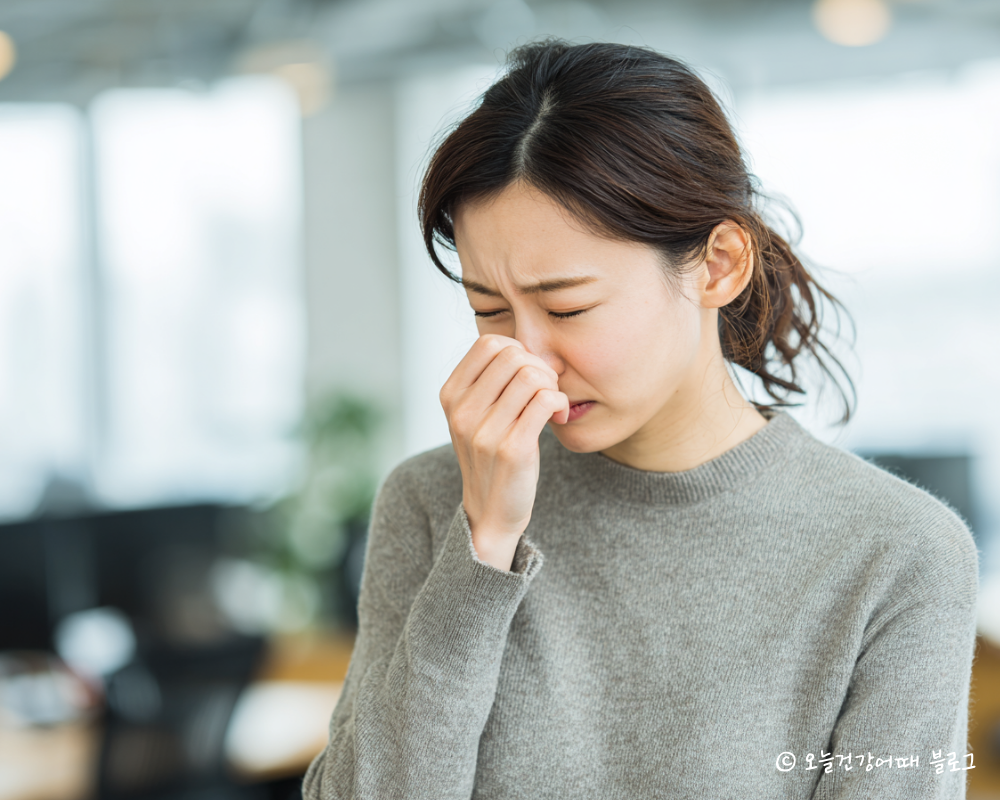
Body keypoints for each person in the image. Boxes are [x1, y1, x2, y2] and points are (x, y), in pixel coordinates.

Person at [302, 40, 978, 799]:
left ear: (718, 264)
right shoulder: (433, 505)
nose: (529, 361)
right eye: (487, 311)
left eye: (568, 308)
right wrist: (482, 549)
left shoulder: (897, 555)